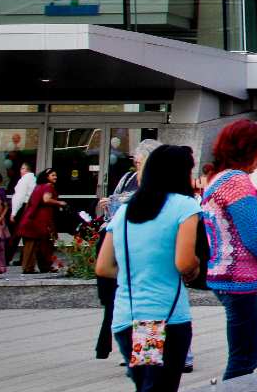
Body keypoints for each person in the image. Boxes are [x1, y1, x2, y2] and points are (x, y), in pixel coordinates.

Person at [95, 145, 200, 392]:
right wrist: (194, 266)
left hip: (126, 317)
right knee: (161, 388)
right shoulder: (184, 206)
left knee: (148, 386)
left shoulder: (125, 211)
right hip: (165, 317)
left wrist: (138, 274)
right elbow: (184, 263)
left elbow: (103, 266)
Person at [202, 118, 257, 381]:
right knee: (244, 358)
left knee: (244, 355)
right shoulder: (237, 182)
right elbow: (254, 236)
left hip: (230, 278)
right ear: (247, 149)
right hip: (241, 280)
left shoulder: (218, 179)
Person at [96, 138, 161, 361]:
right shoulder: (176, 206)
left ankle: (143, 358)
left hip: (142, 302)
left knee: (148, 369)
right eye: (137, 163)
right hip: (148, 298)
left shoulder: (171, 204)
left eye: (142, 164)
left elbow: (104, 267)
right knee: (148, 369)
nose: (138, 169)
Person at [17, 167, 66, 273]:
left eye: (55, 175)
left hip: (31, 218)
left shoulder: (38, 187)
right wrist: (60, 203)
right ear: (47, 177)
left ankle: (29, 267)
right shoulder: (48, 186)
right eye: (53, 175)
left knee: (32, 244)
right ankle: (44, 266)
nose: (55, 177)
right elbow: (46, 199)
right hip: (41, 219)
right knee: (45, 244)